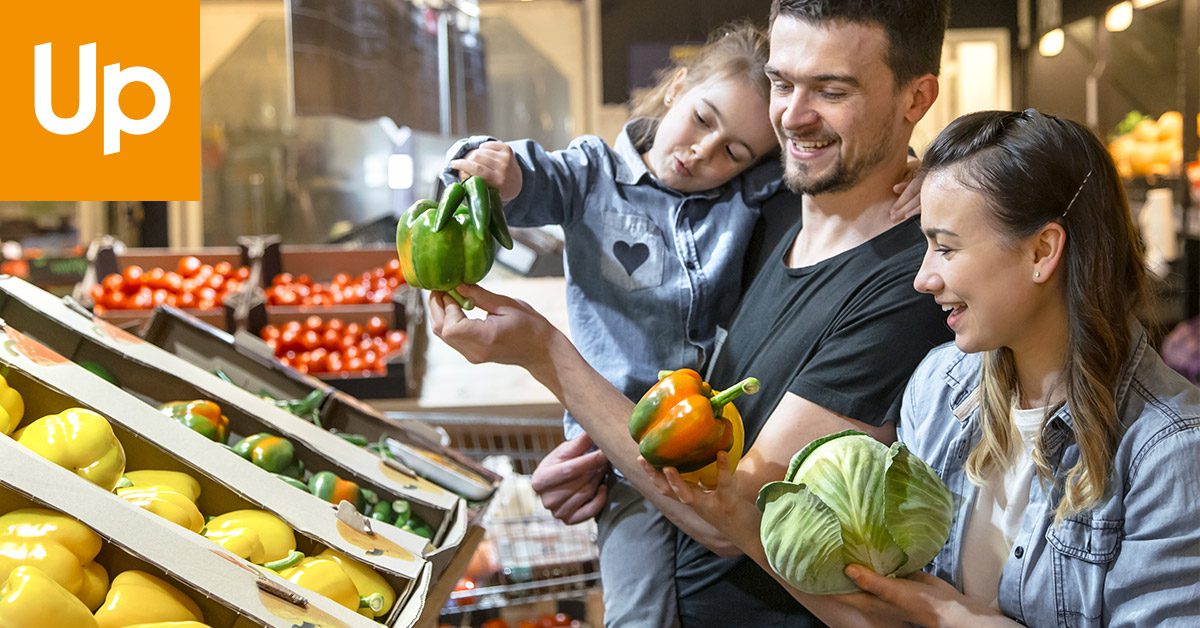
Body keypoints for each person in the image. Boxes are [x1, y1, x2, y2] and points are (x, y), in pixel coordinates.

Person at [429, 0, 953, 625]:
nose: (792, 114)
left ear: (916, 98)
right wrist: (608, 449)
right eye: (783, 83)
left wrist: (548, 355)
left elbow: (734, 517)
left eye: (832, 90)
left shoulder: (910, 281)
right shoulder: (769, 213)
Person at [651, 110, 1200, 627]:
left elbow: (929, 611)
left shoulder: (1170, 450)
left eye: (945, 247)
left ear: (1041, 252)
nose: (923, 278)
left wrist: (955, 619)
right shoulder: (940, 387)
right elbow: (888, 604)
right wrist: (735, 514)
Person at [442, 22, 785, 628]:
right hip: (626, 450)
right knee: (640, 612)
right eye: (703, 119)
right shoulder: (591, 176)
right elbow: (531, 178)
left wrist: (907, 170)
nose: (705, 152)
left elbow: (824, 171)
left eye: (735, 150)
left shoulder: (743, 198)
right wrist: (493, 166)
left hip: (722, 442)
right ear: (677, 88)